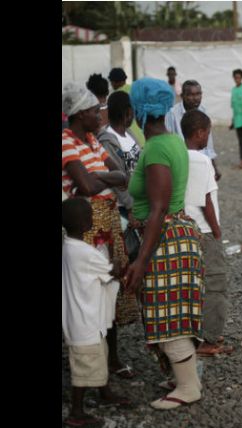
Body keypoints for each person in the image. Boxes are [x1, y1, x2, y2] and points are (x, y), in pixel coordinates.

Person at [125, 77, 204, 410]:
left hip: (165, 240)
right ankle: (184, 378)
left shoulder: (157, 148)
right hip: (177, 235)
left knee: (167, 314)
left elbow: (158, 207)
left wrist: (141, 261)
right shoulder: (172, 140)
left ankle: (188, 387)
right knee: (174, 311)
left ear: (138, 109)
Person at [62, 82, 140, 380]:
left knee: (111, 288)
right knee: (91, 292)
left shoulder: (93, 140)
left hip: (108, 221)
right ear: (80, 114)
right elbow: (85, 186)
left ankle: (110, 359)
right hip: (86, 225)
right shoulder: (66, 141)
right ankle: (93, 362)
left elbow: (123, 175)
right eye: (96, 111)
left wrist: (99, 177)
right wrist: (105, 178)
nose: (100, 115)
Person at [62, 198, 131, 428]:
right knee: (85, 367)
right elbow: (112, 272)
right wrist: (116, 260)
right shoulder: (84, 252)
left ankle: (105, 392)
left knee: (98, 356)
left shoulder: (68, 246)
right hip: (86, 322)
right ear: (85, 224)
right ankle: (76, 412)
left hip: (80, 319)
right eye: (91, 216)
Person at [182, 109, 234, 358]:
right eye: (208, 133)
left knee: (195, 283)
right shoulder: (202, 161)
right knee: (215, 284)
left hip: (188, 228)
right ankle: (210, 339)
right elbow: (206, 201)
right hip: (205, 229)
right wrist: (217, 230)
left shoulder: (180, 156)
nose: (208, 138)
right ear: (200, 133)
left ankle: (197, 332)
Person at [97, 91, 142, 226]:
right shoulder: (108, 141)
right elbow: (117, 178)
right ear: (127, 112)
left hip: (139, 201)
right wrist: (130, 207)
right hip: (125, 207)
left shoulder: (128, 133)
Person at [166, 80, 220, 181]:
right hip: (182, 164)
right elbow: (169, 142)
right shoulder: (172, 114)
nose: (196, 98)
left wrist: (214, 167)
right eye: (191, 95)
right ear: (182, 96)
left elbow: (209, 144)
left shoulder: (203, 111)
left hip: (202, 163)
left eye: (198, 94)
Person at [108, 67, 146, 147]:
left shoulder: (116, 97)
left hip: (129, 137)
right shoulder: (135, 90)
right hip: (143, 135)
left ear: (114, 82)